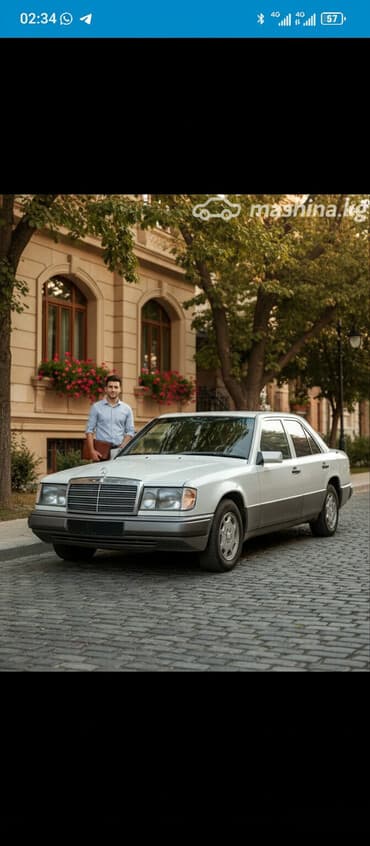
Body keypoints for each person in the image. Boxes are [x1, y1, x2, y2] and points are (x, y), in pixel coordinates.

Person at [84, 374, 135, 461]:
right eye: (110, 387)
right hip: (101, 452)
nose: (113, 390)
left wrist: (122, 447)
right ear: (105, 389)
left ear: (120, 389)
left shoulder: (127, 409)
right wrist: (92, 451)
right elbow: (89, 431)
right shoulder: (96, 407)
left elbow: (130, 432)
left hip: (119, 452)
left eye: (116, 387)